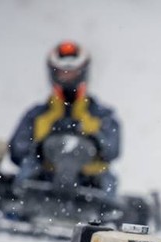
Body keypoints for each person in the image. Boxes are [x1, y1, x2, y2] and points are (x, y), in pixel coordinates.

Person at [8, 40, 121, 198]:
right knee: (27, 169)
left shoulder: (102, 115)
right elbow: (17, 149)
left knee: (107, 179)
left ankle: (107, 216)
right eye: (63, 73)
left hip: (88, 178)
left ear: (83, 72)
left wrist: (94, 142)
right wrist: (40, 147)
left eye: (72, 72)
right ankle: (16, 206)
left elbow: (113, 149)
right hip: (44, 174)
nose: (68, 78)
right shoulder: (37, 114)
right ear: (53, 73)